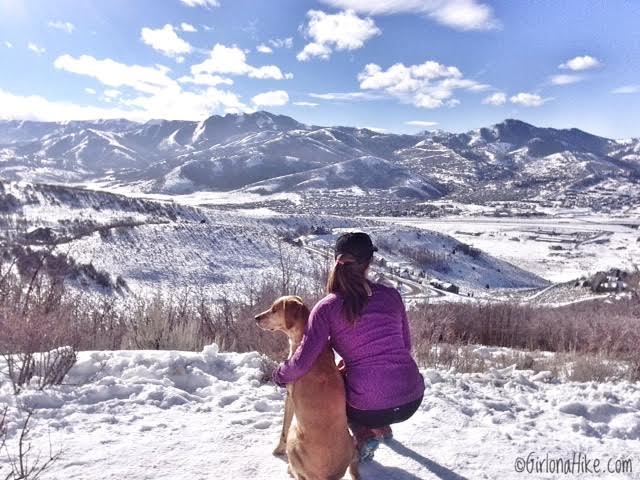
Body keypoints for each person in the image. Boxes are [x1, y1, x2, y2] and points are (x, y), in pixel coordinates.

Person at [272, 232, 425, 461]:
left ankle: (364, 434)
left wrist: (279, 374)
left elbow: (304, 361)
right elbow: (406, 346)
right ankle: (381, 425)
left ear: (337, 262)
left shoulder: (327, 308)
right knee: (366, 383)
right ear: (369, 263)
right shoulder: (392, 295)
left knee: (334, 390)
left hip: (370, 406)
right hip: (412, 398)